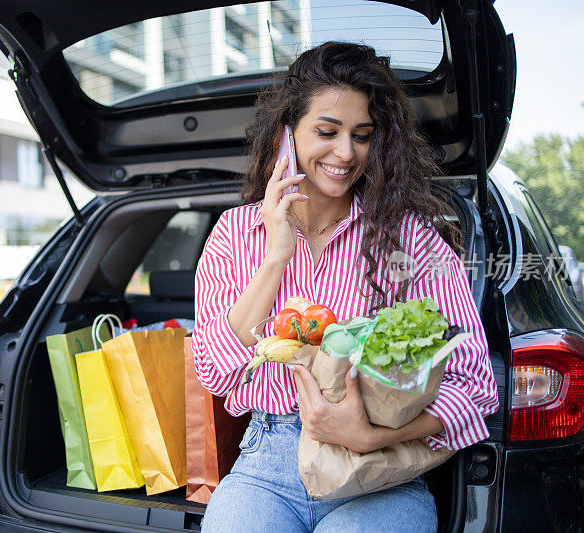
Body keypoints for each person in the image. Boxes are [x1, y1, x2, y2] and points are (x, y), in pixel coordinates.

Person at [192, 42, 499, 532]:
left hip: (381, 472)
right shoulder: (234, 233)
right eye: (327, 132)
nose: (346, 152)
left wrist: (368, 436)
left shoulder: (410, 240)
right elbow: (217, 369)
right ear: (287, 137)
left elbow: (475, 387)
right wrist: (276, 255)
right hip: (268, 464)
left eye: (362, 135)